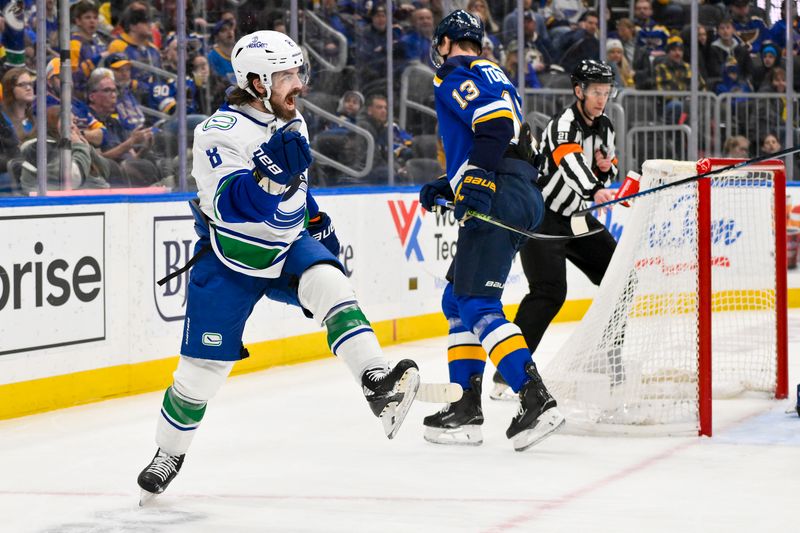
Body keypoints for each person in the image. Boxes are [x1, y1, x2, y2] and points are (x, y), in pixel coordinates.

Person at [136, 30, 422, 503]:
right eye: (286, 75)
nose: (299, 84)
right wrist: (268, 176)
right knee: (200, 373)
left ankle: (377, 383)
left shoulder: (293, 119)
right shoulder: (216, 133)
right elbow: (230, 205)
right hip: (232, 257)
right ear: (256, 81)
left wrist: (318, 222)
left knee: (331, 282)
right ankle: (169, 453)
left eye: (298, 72)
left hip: (288, 245)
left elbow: (298, 187)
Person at [418, 10, 564, 451]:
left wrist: (477, 176)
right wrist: (452, 182)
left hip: (500, 193)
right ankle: (465, 406)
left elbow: (496, 126)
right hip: (517, 190)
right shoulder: (491, 73)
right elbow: (502, 139)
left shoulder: (455, 72)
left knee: (477, 301)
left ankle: (534, 397)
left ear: (445, 43)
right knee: (455, 298)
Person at [492, 59, 624, 401]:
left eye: (606, 93)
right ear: (579, 91)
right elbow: (571, 165)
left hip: (576, 218)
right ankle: (507, 376)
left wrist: (607, 174)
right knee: (548, 293)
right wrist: (596, 188)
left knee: (620, 278)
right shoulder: (563, 125)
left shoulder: (605, 126)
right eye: (595, 92)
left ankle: (608, 358)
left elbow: (605, 169)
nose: (601, 99)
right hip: (543, 217)